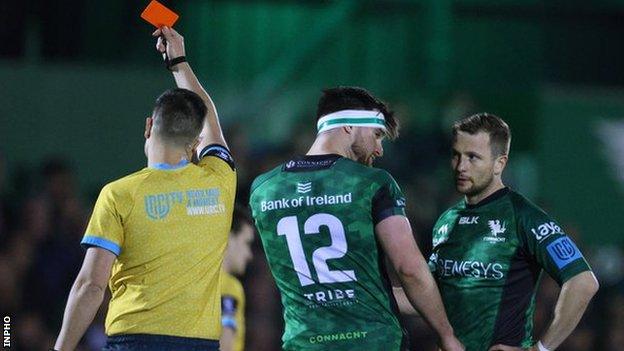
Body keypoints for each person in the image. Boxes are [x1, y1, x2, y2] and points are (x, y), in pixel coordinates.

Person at [53, 26, 236, 351]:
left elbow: (91, 286)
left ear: (149, 125)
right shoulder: (220, 181)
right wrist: (179, 62)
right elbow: (211, 124)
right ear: (195, 144)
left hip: (134, 340)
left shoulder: (118, 194)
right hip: (201, 344)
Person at [249, 87, 464, 351]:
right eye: (377, 135)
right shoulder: (371, 184)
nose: (379, 149)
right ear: (349, 126)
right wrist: (446, 333)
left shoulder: (264, 188)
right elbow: (409, 269)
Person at [428, 113, 599, 351]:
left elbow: (582, 282)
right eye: (456, 155)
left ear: (500, 163)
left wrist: (539, 349)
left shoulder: (525, 217)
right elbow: (428, 295)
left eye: (473, 157)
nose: (461, 166)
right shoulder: (446, 221)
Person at [220, 205, 255, 351]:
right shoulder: (229, 286)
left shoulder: (200, 283)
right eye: (246, 243)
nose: (249, 255)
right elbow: (225, 343)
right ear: (229, 237)